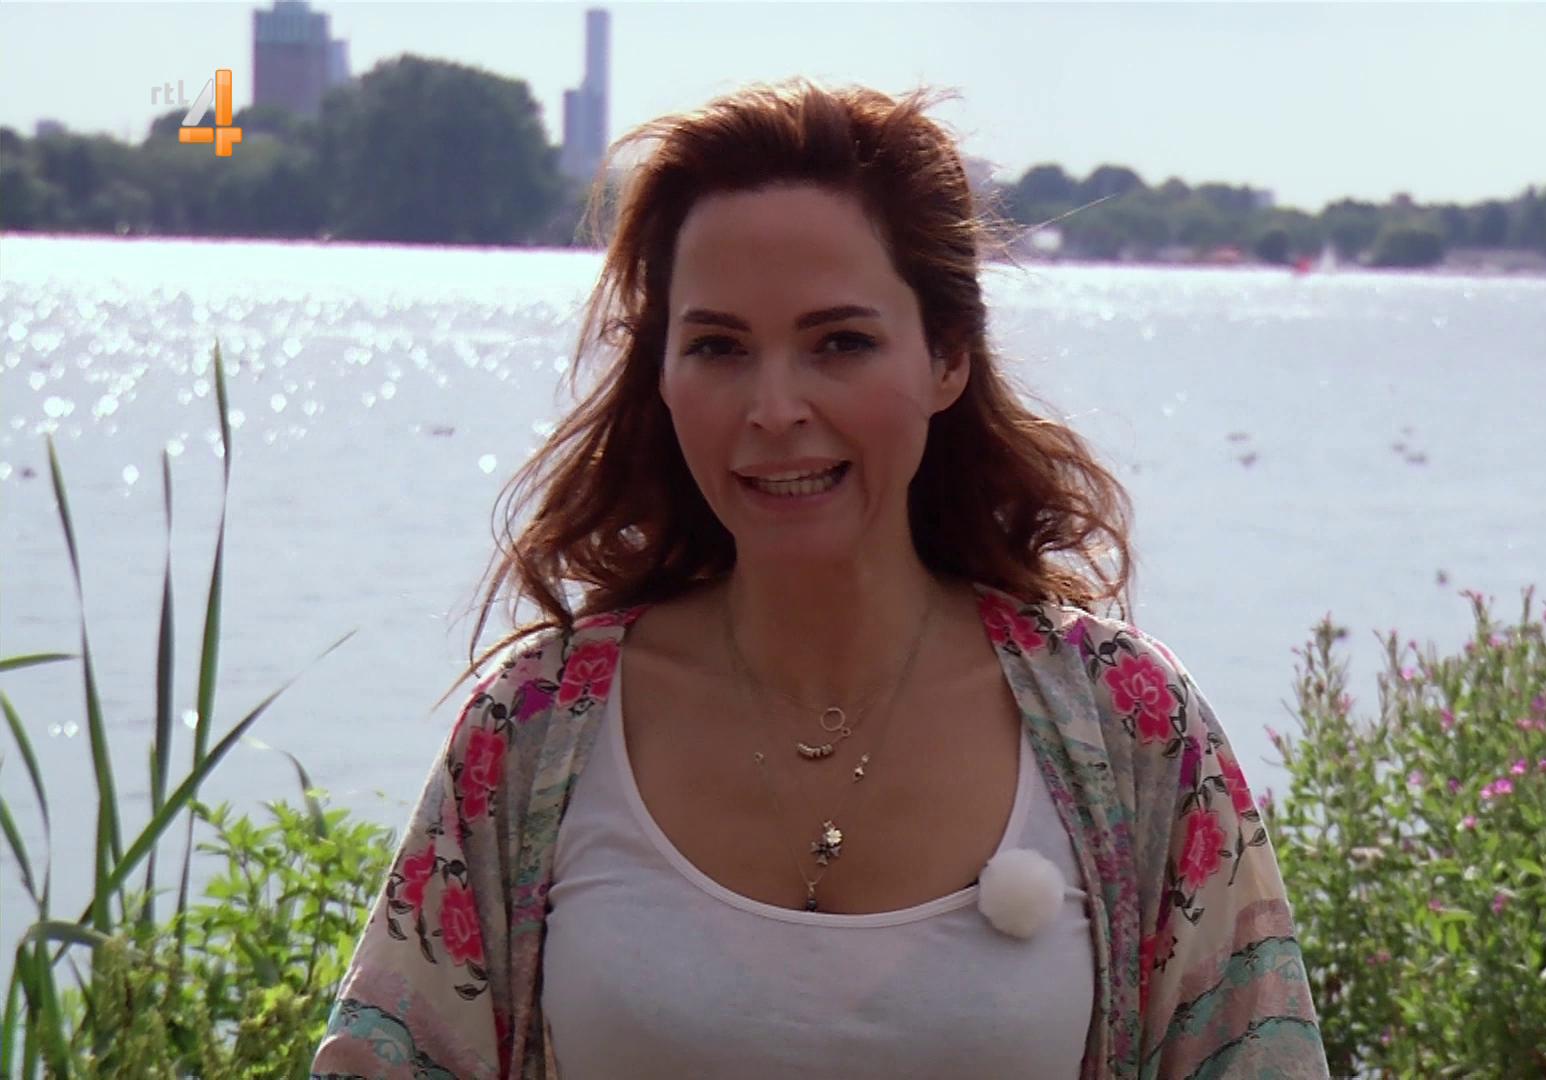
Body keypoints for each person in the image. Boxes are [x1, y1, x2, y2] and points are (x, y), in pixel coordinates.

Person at [311, 77, 1328, 1079]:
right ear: (661, 374)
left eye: (840, 342)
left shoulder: (1129, 727)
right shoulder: (537, 732)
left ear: (946, 357)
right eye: (719, 347)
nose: (774, 408)